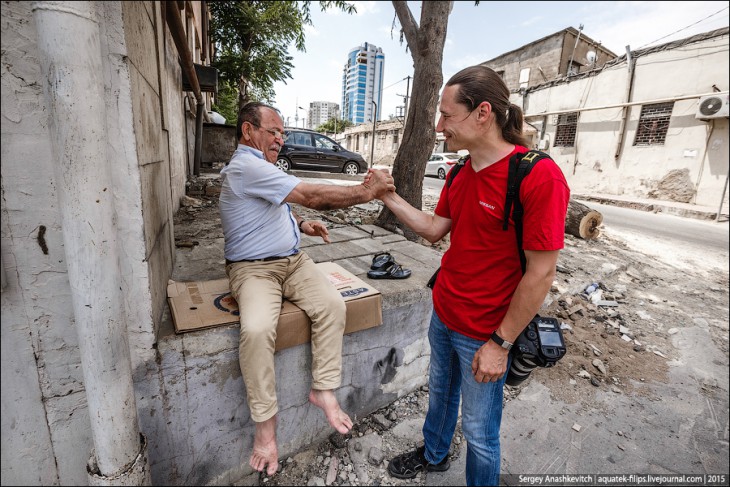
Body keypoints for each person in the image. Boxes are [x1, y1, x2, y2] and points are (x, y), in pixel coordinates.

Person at [379, 65, 570, 485]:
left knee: (481, 432)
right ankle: (434, 454)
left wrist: (501, 343)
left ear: (482, 113)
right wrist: (388, 195)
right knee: (441, 399)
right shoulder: (460, 172)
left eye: (447, 115)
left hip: (486, 331)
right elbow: (434, 229)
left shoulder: (537, 175)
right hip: (445, 313)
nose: (439, 124)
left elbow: (541, 273)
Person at [219, 101, 394, 476]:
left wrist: (301, 224)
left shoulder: (262, 168)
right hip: (254, 270)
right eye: (273, 131)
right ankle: (266, 429)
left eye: (283, 134)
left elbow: (277, 205)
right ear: (248, 131)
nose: (280, 139)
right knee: (257, 329)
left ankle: (323, 390)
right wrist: (367, 193)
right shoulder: (245, 165)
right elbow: (312, 194)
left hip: (293, 261)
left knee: (332, 304)